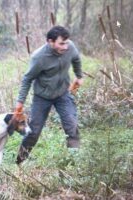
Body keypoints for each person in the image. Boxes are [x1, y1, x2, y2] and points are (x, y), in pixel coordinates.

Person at [14, 25, 84, 165]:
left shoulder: (70, 47)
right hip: (42, 98)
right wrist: (20, 102)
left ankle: (74, 164)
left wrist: (79, 75)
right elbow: (27, 79)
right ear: (50, 42)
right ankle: (19, 162)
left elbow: (76, 59)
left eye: (66, 42)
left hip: (63, 94)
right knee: (33, 132)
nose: (65, 47)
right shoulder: (39, 57)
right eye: (61, 43)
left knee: (72, 126)